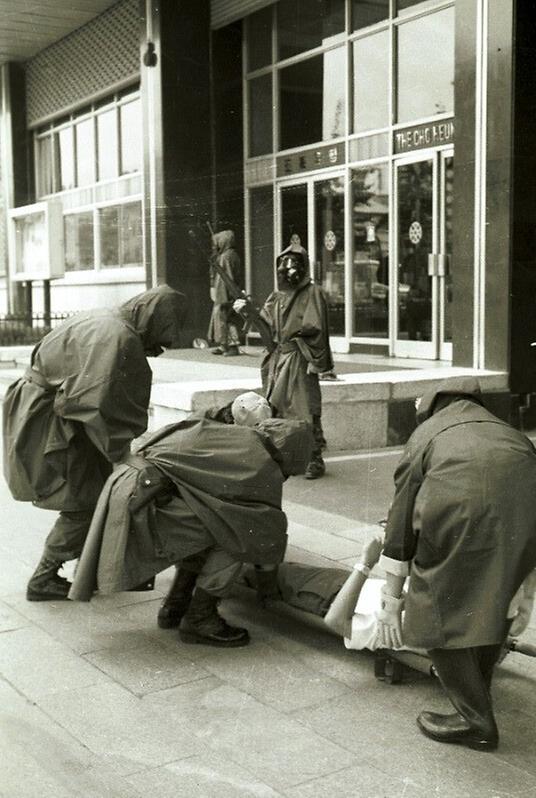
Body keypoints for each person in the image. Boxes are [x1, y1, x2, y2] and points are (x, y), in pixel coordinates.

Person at [68, 396, 313, 648]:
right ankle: (200, 618)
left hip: (135, 484)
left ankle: (175, 606)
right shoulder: (259, 458)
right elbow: (263, 526)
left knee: (213, 524)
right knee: (237, 537)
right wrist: (268, 588)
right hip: (145, 494)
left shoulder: (237, 436)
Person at [374, 376, 536, 751]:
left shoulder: (427, 433)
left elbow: (401, 518)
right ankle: (480, 699)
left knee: (436, 615)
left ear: (433, 403)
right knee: (494, 607)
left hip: (458, 524)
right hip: (521, 527)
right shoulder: (507, 430)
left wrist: (392, 598)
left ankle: (475, 721)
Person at [3, 285, 185, 602]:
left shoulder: (109, 318)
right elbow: (98, 402)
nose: (158, 350)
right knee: (82, 500)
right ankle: (44, 577)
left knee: (92, 489)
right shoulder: (118, 336)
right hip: (55, 417)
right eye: (160, 341)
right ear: (153, 321)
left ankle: (88, 568)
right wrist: (123, 453)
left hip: (48, 407)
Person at [234, 244, 333, 479]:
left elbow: (317, 329)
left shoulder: (312, 293)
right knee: (275, 407)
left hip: (300, 357)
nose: (287, 271)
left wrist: (315, 360)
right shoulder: (277, 296)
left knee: (305, 408)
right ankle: (284, 455)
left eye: (293, 265)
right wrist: (248, 310)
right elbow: (266, 324)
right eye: (283, 266)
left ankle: (314, 458)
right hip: (279, 358)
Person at [208, 229, 242, 356]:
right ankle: (224, 344)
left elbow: (225, 277)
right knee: (226, 317)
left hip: (227, 292)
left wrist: (221, 296)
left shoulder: (225, 257)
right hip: (232, 290)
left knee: (226, 317)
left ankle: (232, 345)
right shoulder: (232, 255)